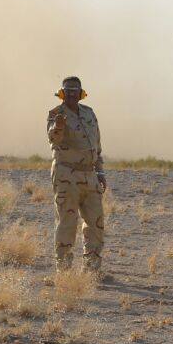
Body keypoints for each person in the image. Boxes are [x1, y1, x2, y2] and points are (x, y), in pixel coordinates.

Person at [47, 76, 106, 273]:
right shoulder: (56, 114)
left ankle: (92, 270)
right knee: (67, 223)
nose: (71, 94)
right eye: (68, 90)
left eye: (75, 90)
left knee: (96, 224)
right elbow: (53, 139)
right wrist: (59, 126)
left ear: (81, 93)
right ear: (62, 93)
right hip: (66, 176)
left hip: (90, 176)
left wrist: (100, 172)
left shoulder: (89, 113)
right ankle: (64, 271)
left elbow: (96, 146)